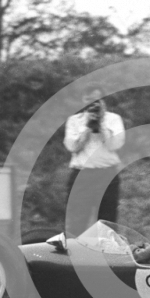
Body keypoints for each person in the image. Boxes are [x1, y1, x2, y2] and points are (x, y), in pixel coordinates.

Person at [63, 83, 125, 236]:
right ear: (83, 101)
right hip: (81, 176)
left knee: (107, 223)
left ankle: (106, 257)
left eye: (96, 100)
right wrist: (87, 126)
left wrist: (101, 124)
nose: (92, 103)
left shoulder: (113, 120)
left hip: (107, 175)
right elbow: (72, 147)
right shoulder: (74, 120)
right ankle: (74, 256)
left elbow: (115, 145)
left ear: (103, 101)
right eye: (88, 99)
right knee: (76, 222)